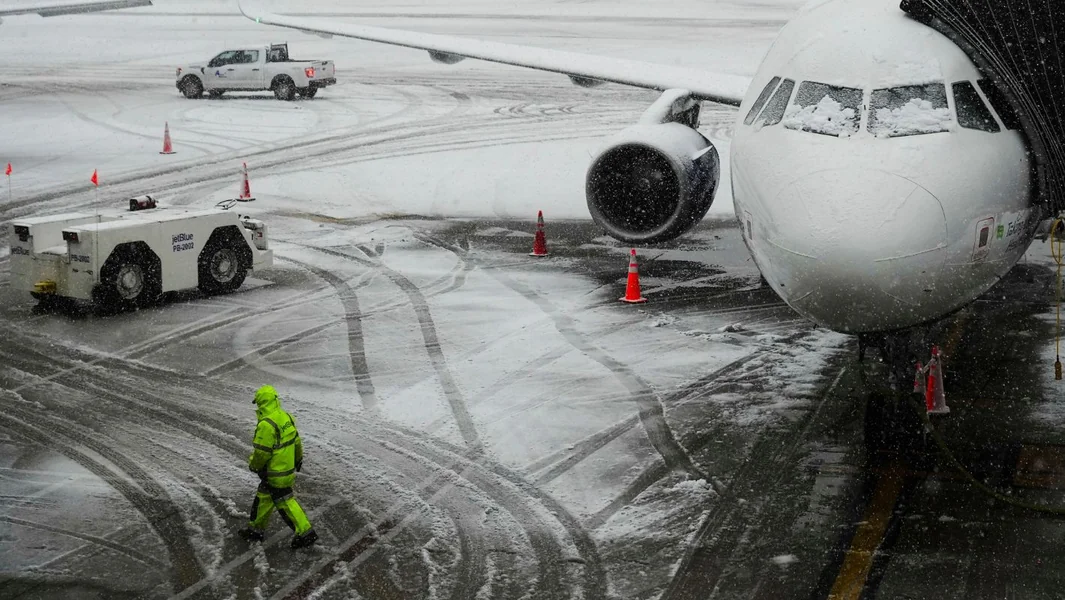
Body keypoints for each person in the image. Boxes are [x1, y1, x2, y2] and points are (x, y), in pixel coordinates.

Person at [238, 385, 318, 548]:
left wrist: (254, 466)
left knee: (285, 501)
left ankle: (305, 533)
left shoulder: (266, 425)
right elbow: (296, 441)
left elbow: (262, 453)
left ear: (261, 403)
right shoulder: (286, 417)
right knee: (264, 497)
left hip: (274, 473)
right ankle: (255, 530)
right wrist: (298, 458)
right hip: (287, 470)